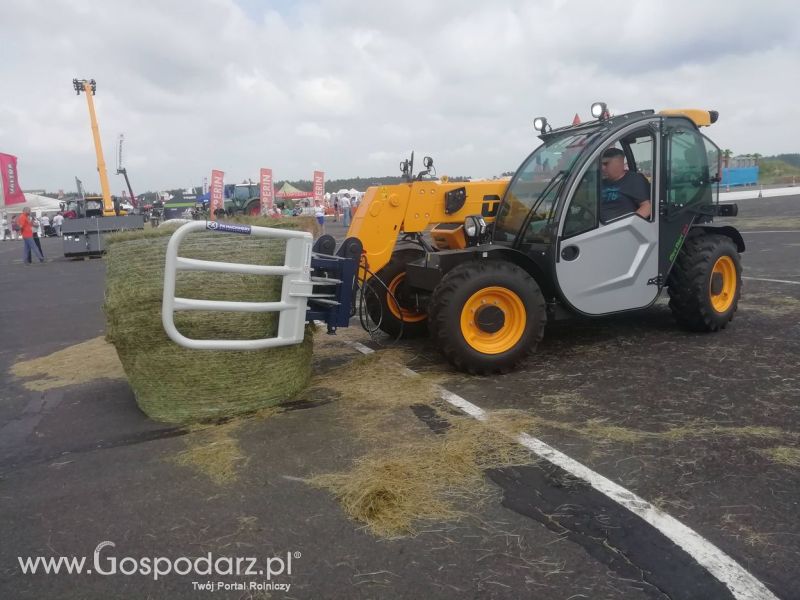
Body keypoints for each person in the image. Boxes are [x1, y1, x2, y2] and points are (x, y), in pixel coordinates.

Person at [600, 147, 651, 222]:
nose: (602, 167)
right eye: (601, 164)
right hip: (598, 228)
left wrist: (625, 226)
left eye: (605, 164)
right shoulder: (600, 182)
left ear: (618, 163)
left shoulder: (634, 179)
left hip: (622, 230)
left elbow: (647, 207)